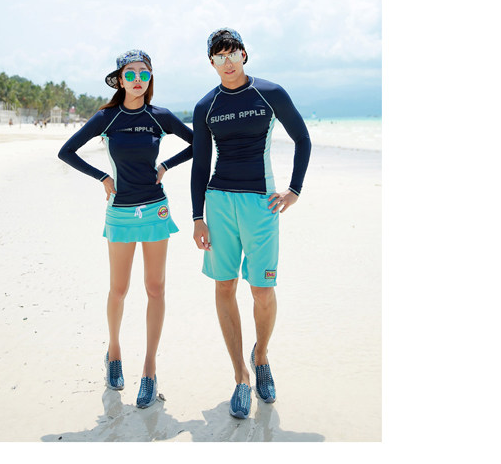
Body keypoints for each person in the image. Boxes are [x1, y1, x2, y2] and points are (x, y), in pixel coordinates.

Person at [58, 49, 193, 408]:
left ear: (150, 79)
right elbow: (67, 151)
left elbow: (199, 143)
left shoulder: (160, 116)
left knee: (155, 288)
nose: (137, 79)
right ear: (119, 80)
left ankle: (149, 369)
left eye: (143, 73)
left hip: (155, 210)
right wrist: (102, 177)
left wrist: (166, 165)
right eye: (129, 73)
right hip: (119, 212)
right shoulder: (108, 118)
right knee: (118, 289)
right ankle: (114, 352)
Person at [190, 28, 312, 419]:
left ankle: (260, 356)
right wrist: (197, 217)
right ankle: (241, 377)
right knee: (225, 285)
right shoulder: (206, 106)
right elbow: (200, 165)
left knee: (262, 289)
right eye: (219, 56)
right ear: (211, 62)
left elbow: (302, 138)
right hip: (219, 203)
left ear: (244, 55)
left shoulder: (269, 93)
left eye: (232, 53)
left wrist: (294, 189)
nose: (227, 62)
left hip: (261, 204)